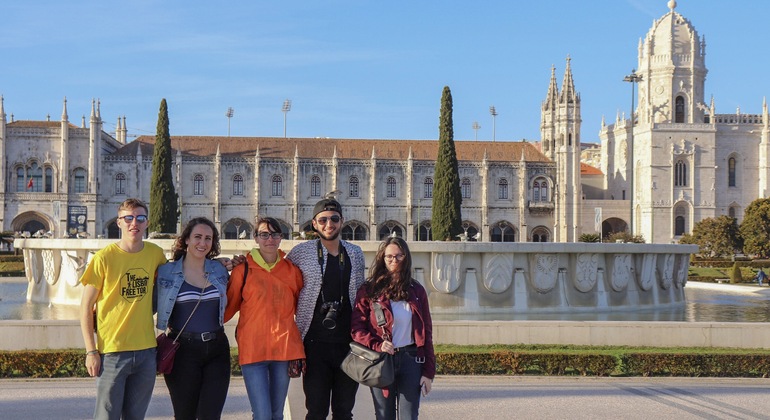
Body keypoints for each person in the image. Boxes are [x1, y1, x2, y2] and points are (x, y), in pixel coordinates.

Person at [79, 198, 168, 420]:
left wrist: (218, 264)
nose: (133, 223)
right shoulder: (104, 258)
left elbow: (180, 276)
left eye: (140, 218)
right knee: (106, 416)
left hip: (147, 351)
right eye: (128, 218)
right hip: (112, 352)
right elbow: (85, 307)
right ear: (119, 222)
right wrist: (91, 351)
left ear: (147, 223)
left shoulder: (155, 254)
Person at [286, 198, 366, 420]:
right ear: (314, 224)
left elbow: (362, 295)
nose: (328, 224)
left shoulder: (355, 253)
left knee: (344, 412)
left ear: (342, 221)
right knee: (316, 411)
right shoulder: (300, 253)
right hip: (314, 346)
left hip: (349, 345)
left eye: (334, 219)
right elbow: (279, 278)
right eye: (323, 220)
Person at [225, 217, 305, 420]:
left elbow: (299, 307)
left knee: (277, 413)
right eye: (264, 234)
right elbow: (227, 308)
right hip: (253, 350)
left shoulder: (292, 271)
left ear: (280, 238)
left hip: (283, 349)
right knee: (262, 414)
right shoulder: (242, 270)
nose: (270, 239)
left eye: (275, 234)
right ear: (256, 238)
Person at [155, 217, 232, 420]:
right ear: (186, 239)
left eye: (208, 238)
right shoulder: (166, 272)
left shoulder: (219, 269)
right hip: (183, 351)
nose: (203, 243)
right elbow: (146, 306)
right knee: (184, 415)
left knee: (211, 415)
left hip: (217, 348)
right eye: (197, 237)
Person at [351, 237, 435, 420]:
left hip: (411, 361)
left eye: (398, 256)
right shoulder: (369, 289)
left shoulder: (416, 290)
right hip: (382, 361)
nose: (394, 261)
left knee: (409, 416)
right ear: (382, 258)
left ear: (406, 257)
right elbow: (357, 328)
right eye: (389, 256)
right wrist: (376, 345)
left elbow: (426, 332)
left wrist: (428, 373)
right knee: (384, 416)